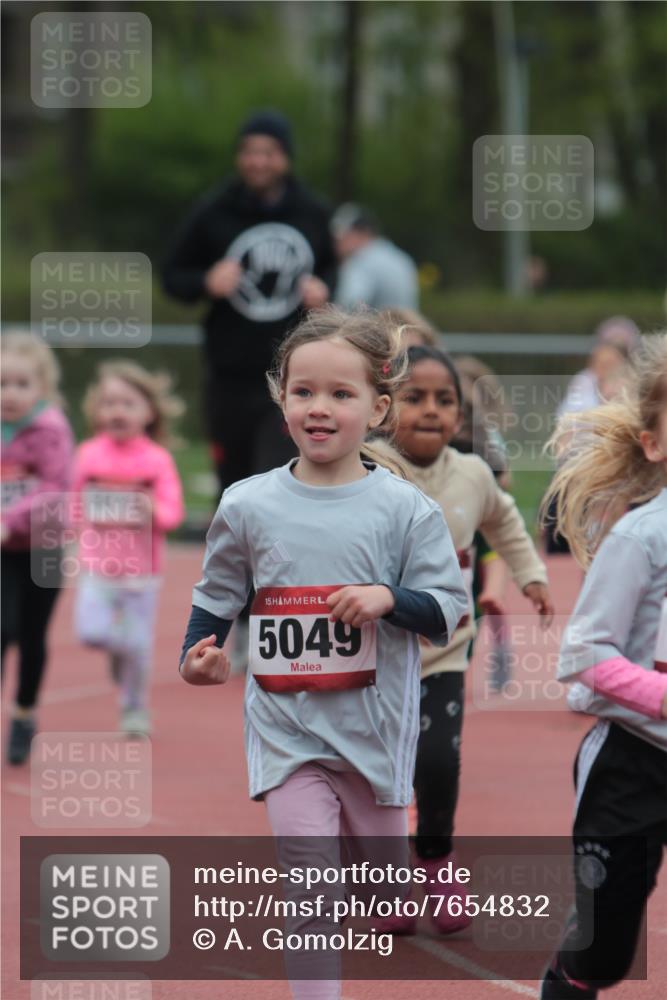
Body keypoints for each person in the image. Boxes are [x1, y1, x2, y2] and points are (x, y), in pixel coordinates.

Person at [179, 306, 468, 1000]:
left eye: (340, 394)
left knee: (381, 881)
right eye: (303, 391)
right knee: (307, 879)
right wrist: (199, 651)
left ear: (377, 407)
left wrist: (384, 598)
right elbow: (217, 592)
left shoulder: (404, 511)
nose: (319, 408)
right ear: (281, 398)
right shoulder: (248, 505)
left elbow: (448, 610)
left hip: (372, 733)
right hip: (286, 732)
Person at [372, 344, 552, 936]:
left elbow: (506, 524)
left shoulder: (473, 474)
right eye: (414, 397)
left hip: (443, 651)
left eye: (443, 400)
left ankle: (435, 858)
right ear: (382, 406)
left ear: (459, 414)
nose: (430, 410)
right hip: (372, 656)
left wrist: (532, 578)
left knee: (438, 761)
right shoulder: (367, 469)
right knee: (378, 769)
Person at [539, 333, 667, 1000]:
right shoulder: (641, 537)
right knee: (603, 951)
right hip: (634, 758)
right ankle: (568, 976)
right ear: (652, 442)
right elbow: (583, 653)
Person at [161, 109, 336, 496]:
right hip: (230, 371)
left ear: (285, 158)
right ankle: (232, 555)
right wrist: (206, 280)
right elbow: (173, 276)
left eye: (268, 152)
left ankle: (278, 553)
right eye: (249, 152)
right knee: (234, 481)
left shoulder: (313, 213)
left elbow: (334, 272)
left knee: (278, 475)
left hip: (292, 371)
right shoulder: (213, 212)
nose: (258, 161)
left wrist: (323, 292)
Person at [73, 362, 184, 735]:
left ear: (148, 412)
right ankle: (117, 649)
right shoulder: (88, 455)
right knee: (91, 633)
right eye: (109, 403)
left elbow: (173, 513)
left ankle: (134, 709)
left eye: (127, 403)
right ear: (97, 411)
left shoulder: (156, 460)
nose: (117, 411)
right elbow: (72, 503)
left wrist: (153, 509)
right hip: (96, 566)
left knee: (139, 649)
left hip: (142, 572)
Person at [1, 331, 74, 764]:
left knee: (31, 634)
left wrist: (10, 520)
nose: (10, 393)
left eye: (21, 384)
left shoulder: (51, 429)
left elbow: (53, 487)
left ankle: (25, 711)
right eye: (2, 383)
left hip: (43, 544)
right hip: (4, 547)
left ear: (42, 388)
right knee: (2, 627)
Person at [331, 204, 419, 311]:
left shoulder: (361, 260)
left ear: (361, 233)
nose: (336, 244)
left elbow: (349, 305)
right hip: (405, 325)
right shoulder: (401, 258)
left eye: (341, 237)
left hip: (376, 326)